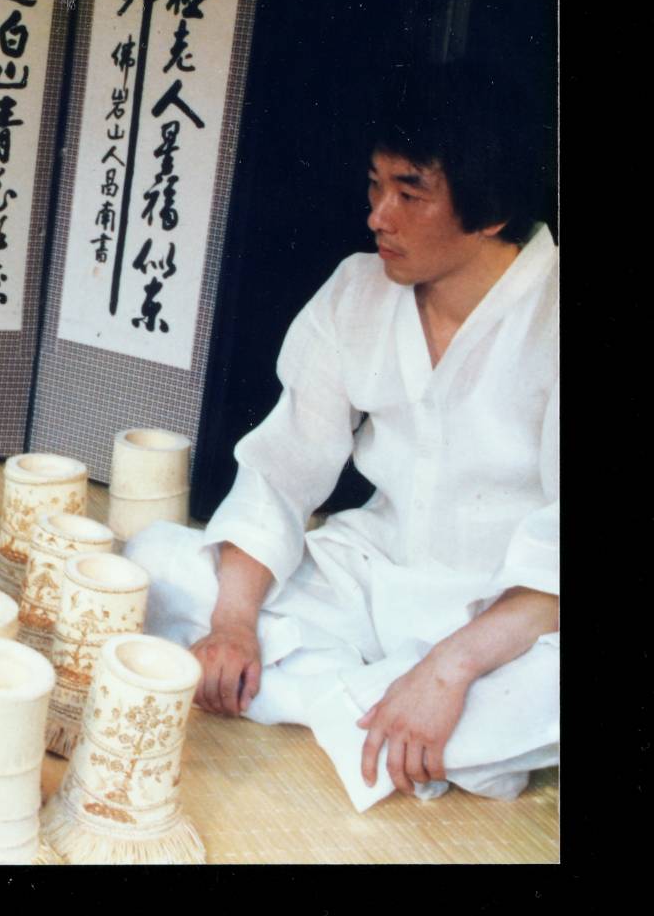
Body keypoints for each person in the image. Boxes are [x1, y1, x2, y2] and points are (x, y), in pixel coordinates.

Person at [126, 62, 558, 811]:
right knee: (153, 563)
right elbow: (282, 468)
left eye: (408, 193)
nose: (376, 216)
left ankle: (367, 702)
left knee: (531, 692)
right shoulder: (356, 289)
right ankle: (389, 720)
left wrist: (448, 670)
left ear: (488, 211)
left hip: (509, 617)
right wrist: (231, 625)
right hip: (372, 574)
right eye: (374, 185)